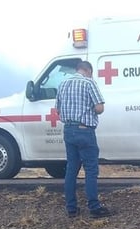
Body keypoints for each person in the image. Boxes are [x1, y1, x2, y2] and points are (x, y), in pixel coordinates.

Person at [56, 60, 111, 219]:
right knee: (91, 169)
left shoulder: (62, 84)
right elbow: (99, 108)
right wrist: (91, 109)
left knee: (71, 169)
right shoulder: (88, 83)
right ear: (88, 71)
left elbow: (58, 109)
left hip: (68, 130)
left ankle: (71, 208)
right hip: (84, 130)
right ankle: (94, 207)